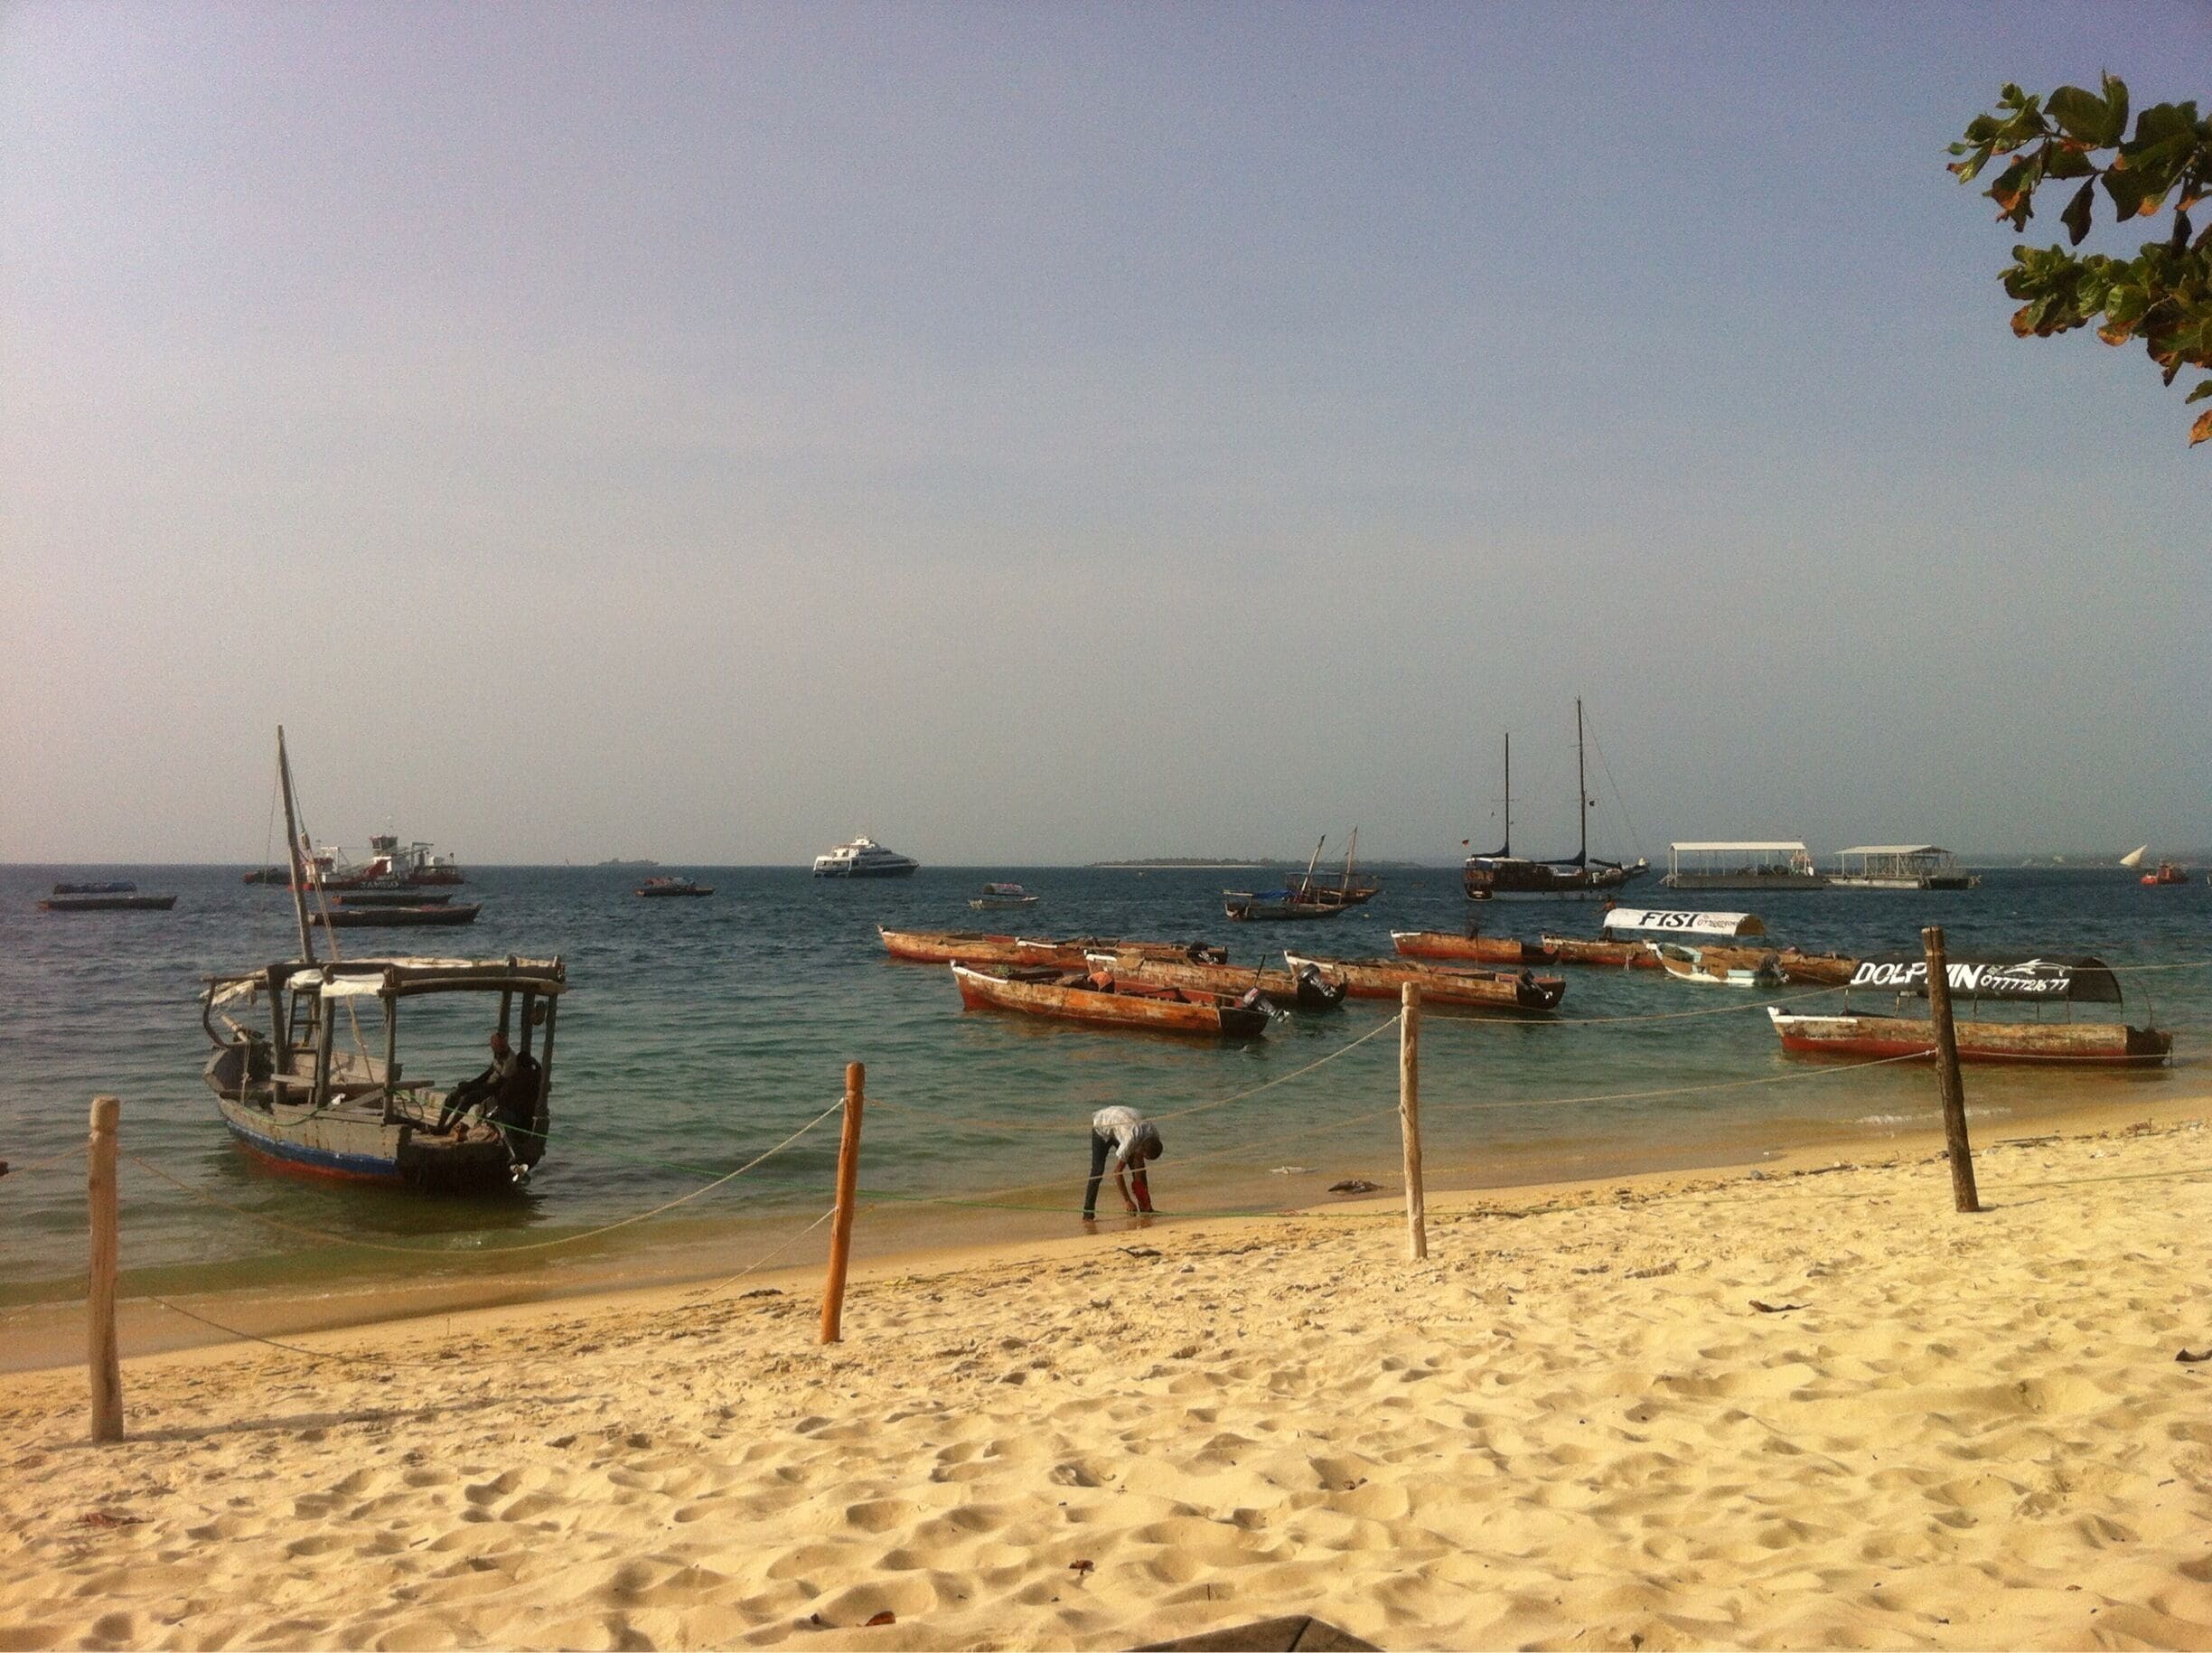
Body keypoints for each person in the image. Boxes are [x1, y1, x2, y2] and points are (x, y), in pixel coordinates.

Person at [1083, 1104, 1163, 1221]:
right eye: (1144, 1156)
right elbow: (1117, 1172)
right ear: (1141, 1149)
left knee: (1140, 1170)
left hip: (1121, 1125)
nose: (1143, 1159)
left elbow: (1139, 1164)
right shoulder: (1131, 1139)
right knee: (1097, 1171)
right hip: (1102, 1125)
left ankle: (1145, 1208)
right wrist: (1127, 1201)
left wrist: (1138, 1178)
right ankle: (1088, 1214)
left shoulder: (1154, 1134)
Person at [436, 1030, 516, 1133]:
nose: (496, 1049)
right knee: (457, 1092)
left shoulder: (510, 1061)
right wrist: (472, 1084)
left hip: (496, 1090)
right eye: (494, 1046)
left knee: (469, 1098)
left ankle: (448, 1127)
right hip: (487, 1085)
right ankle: (440, 1125)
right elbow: (489, 1072)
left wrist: (476, 1087)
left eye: (500, 1046)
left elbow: (497, 1085)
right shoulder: (498, 1054)